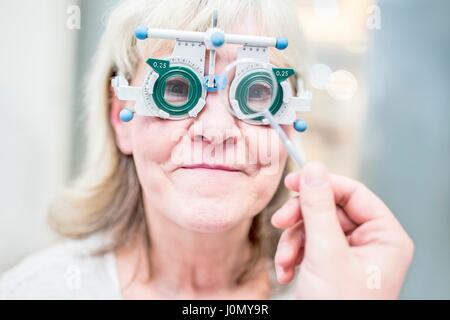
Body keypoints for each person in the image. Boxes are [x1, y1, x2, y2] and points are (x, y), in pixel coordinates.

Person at [0, 0, 413, 299]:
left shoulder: (345, 286)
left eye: (255, 93)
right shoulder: (37, 292)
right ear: (120, 119)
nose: (216, 131)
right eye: (177, 89)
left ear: (287, 120)